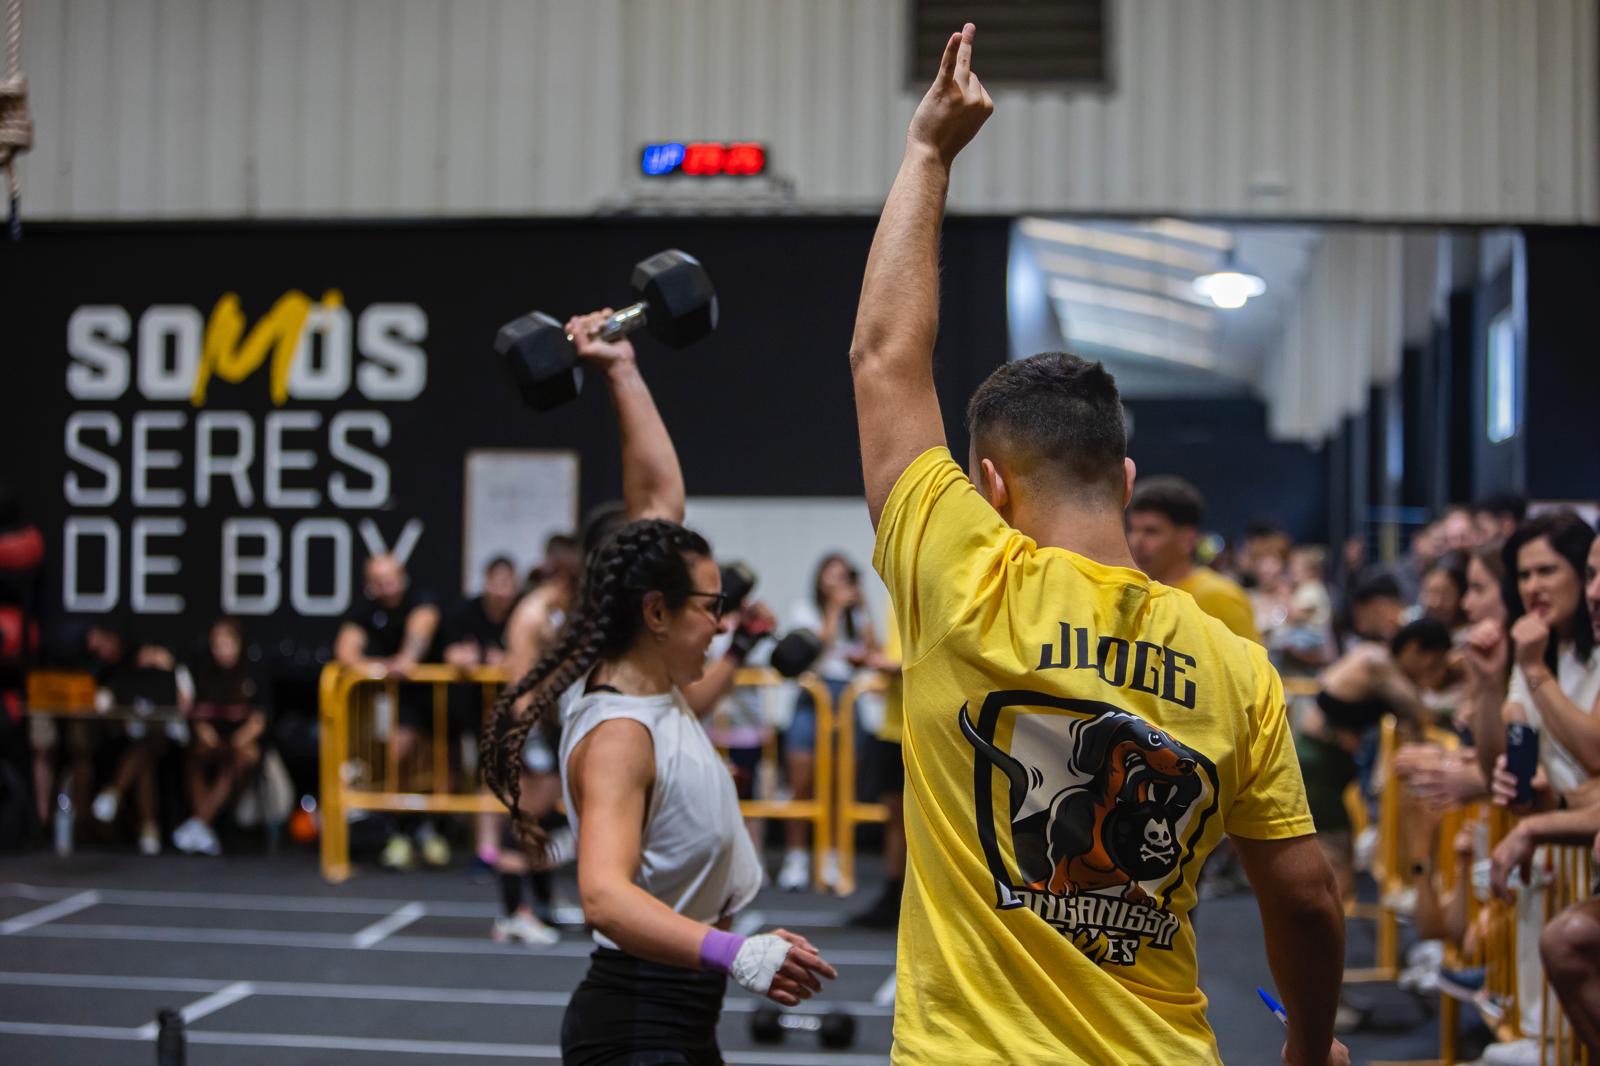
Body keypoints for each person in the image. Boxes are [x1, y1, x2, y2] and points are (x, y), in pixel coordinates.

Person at [848, 25, 1346, 1065]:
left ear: (989, 486)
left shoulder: (962, 571)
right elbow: (1305, 897)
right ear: (1124, 479)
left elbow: (886, 356)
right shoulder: (1234, 664)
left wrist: (929, 152)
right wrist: (1307, 1049)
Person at [482, 519, 837, 1065]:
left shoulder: (658, 698)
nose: (720, 624)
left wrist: (742, 650)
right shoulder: (619, 735)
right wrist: (736, 951)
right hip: (638, 1025)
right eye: (711, 607)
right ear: (655, 612)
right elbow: (602, 897)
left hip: (681, 1015)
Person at [1471, 511, 1599, 795]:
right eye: (1524, 576)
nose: (1532, 587)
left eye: (1546, 571)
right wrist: (1489, 683)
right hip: (1551, 821)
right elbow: (1496, 766)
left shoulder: (1535, 658)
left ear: (1582, 575)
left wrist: (1534, 669)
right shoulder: (1534, 647)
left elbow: (1595, 754)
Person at [776, 552, 880, 891]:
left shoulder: (856, 615)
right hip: (813, 696)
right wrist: (835, 609)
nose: (840, 584)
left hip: (847, 697)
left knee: (840, 784)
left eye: (845, 577)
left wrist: (863, 609)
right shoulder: (804, 610)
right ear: (820, 579)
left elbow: (873, 652)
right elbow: (812, 651)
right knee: (802, 782)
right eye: (834, 576)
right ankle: (796, 858)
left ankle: (832, 857)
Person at [334, 553, 443, 869]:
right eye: (379, 581)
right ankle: (404, 829)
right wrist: (383, 666)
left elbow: (422, 627)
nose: (387, 586)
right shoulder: (366, 611)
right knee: (398, 758)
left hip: (442, 696)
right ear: (370, 585)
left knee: (444, 765)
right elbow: (346, 651)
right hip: (402, 700)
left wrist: (408, 658)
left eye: (392, 578)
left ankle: (434, 828)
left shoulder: (420, 600)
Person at [1127, 476, 1263, 643]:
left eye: (1151, 531)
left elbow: (1249, 660)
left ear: (1187, 540)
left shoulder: (1218, 597)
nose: (1136, 542)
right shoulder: (1137, 593)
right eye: (1133, 529)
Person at [173, 618, 266, 856]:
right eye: (217, 645)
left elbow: (260, 720)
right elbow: (197, 715)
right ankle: (203, 828)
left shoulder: (253, 671)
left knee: (238, 758)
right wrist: (205, 732)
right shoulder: (206, 673)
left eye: (227, 644)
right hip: (213, 740)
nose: (222, 651)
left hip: (241, 742)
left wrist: (237, 740)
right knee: (196, 756)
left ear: (239, 643)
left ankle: (200, 823)